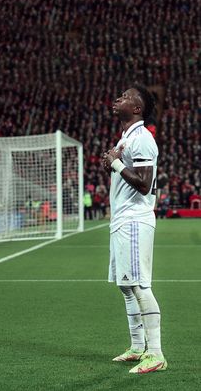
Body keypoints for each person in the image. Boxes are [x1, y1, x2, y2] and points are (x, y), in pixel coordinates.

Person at [102, 85, 167, 374]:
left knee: (140, 284)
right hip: (121, 220)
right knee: (126, 285)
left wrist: (114, 163)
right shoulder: (127, 138)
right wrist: (114, 162)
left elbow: (144, 183)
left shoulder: (142, 138)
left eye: (126, 96)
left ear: (137, 108)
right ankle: (138, 346)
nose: (118, 99)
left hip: (135, 219)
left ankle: (156, 354)